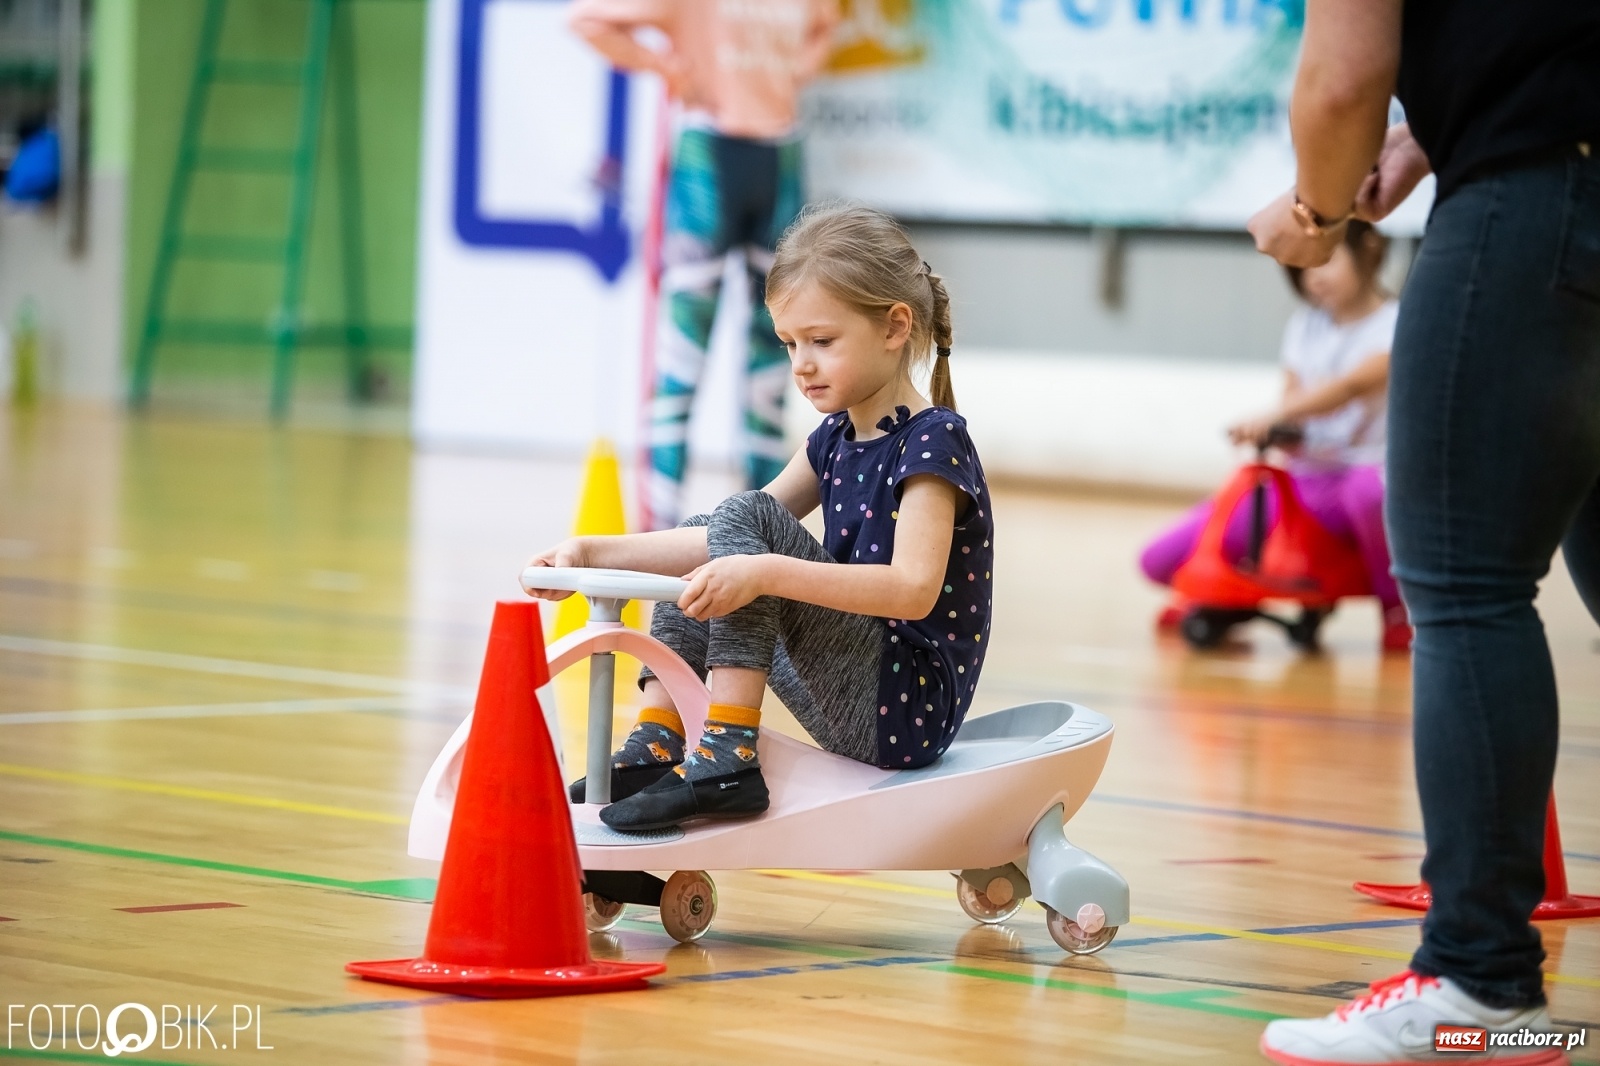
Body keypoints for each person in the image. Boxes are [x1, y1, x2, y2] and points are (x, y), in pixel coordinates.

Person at [1246, 0, 1600, 1062]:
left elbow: (1343, 79)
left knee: (1464, 580)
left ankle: (1479, 985)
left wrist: (1314, 211)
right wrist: (1431, 135)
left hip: (1529, 205)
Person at [526, 204, 994, 832]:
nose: (800, 364)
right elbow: (727, 534)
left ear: (894, 326)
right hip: (853, 686)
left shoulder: (933, 440)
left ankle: (728, 755)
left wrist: (766, 572)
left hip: (903, 707)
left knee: (747, 521)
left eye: (821, 341)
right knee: (728, 522)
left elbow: (912, 590)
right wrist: (591, 552)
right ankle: (659, 738)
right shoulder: (835, 437)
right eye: (789, 343)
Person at [569, 0, 841, 530]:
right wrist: (666, 67)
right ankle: (658, 534)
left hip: (781, 155)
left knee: (777, 358)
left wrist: (791, 74)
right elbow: (587, 19)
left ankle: (762, 533)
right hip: (707, 158)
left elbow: (825, 27)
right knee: (682, 356)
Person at [1141, 221, 1409, 650]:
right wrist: (1282, 431)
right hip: (1304, 483)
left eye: (1327, 260)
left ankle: (1398, 607)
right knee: (1159, 559)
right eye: (1304, 267)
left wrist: (1276, 414)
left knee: (1369, 494)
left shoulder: (1397, 323)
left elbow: (1351, 387)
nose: (1314, 276)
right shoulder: (1305, 324)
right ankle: (1216, 598)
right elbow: (1294, 399)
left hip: (1367, 475)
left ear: (1369, 251)